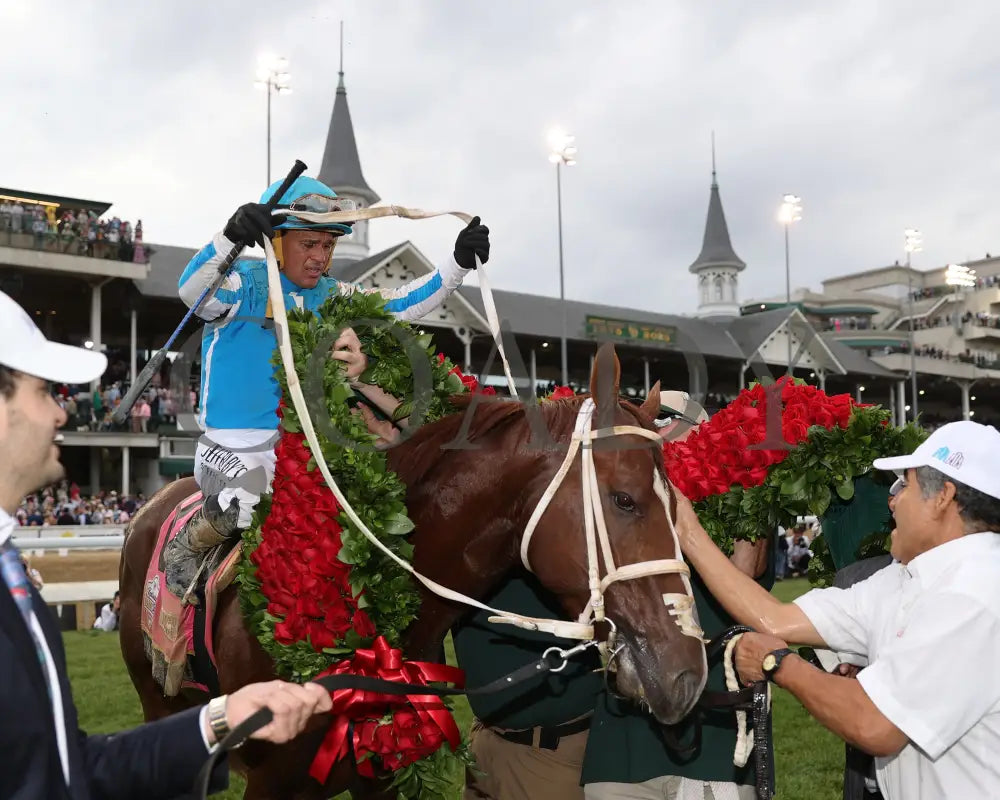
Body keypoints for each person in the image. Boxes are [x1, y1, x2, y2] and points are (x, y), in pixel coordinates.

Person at [0, 290, 334, 800]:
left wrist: (218, 721)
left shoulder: (10, 570)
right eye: (43, 392)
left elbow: (66, 769)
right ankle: (187, 558)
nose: (60, 414)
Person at [164, 175, 490, 600]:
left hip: (300, 448)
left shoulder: (333, 295)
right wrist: (229, 238)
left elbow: (401, 304)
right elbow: (191, 293)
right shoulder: (240, 282)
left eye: (328, 245)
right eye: (309, 244)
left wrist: (457, 264)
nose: (321, 257)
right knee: (257, 502)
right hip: (231, 449)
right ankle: (185, 547)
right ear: (277, 242)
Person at [674, 420, 1000, 800]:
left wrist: (778, 664)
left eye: (904, 485)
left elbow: (876, 724)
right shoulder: (903, 578)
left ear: (943, 496)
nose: (892, 500)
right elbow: (774, 618)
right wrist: (688, 532)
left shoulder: (976, 592)